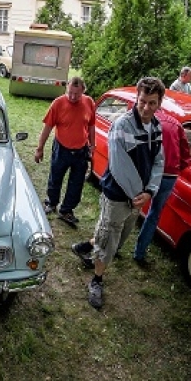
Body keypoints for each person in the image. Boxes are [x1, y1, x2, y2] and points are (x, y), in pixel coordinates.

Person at [71, 76, 165, 310]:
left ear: (159, 103)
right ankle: (97, 280)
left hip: (139, 197)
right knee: (109, 239)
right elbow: (119, 165)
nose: (146, 107)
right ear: (137, 98)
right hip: (119, 195)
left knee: (118, 237)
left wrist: (149, 192)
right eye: (142, 101)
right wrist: (138, 195)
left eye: (152, 103)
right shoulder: (122, 125)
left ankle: (86, 246)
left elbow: (158, 162)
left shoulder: (156, 127)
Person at [34, 77, 96, 227]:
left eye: (77, 94)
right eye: (70, 93)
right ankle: (51, 203)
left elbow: (92, 125)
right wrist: (39, 148)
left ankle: (66, 210)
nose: (73, 97)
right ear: (67, 88)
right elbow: (47, 127)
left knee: (77, 183)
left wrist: (92, 145)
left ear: (83, 91)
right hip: (61, 149)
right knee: (55, 177)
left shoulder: (89, 102)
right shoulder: (58, 103)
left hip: (81, 150)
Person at [132, 110, 191, 267]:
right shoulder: (176, 124)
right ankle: (139, 253)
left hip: (149, 170)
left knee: (132, 206)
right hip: (169, 175)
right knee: (154, 214)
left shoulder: (146, 120)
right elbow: (186, 155)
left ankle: (115, 246)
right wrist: (178, 167)